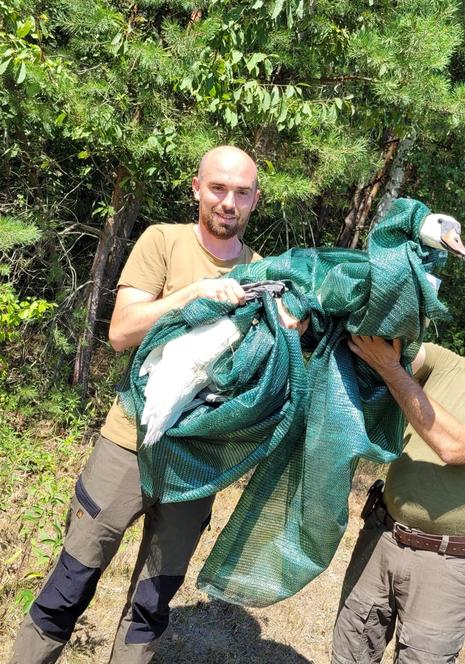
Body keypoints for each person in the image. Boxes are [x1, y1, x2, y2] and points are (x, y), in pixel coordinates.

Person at [10, 145, 283, 663]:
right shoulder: (163, 241)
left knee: (152, 604)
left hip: (199, 459)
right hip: (129, 444)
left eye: (241, 192)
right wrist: (194, 294)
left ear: (255, 200)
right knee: (71, 583)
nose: (229, 202)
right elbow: (120, 332)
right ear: (197, 188)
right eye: (219, 188)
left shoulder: (263, 271)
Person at [331, 287, 465, 664]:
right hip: (381, 536)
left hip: (446, 565)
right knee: (351, 650)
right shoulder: (440, 361)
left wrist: (390, 368)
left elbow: (456, 446)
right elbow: (379, 349)